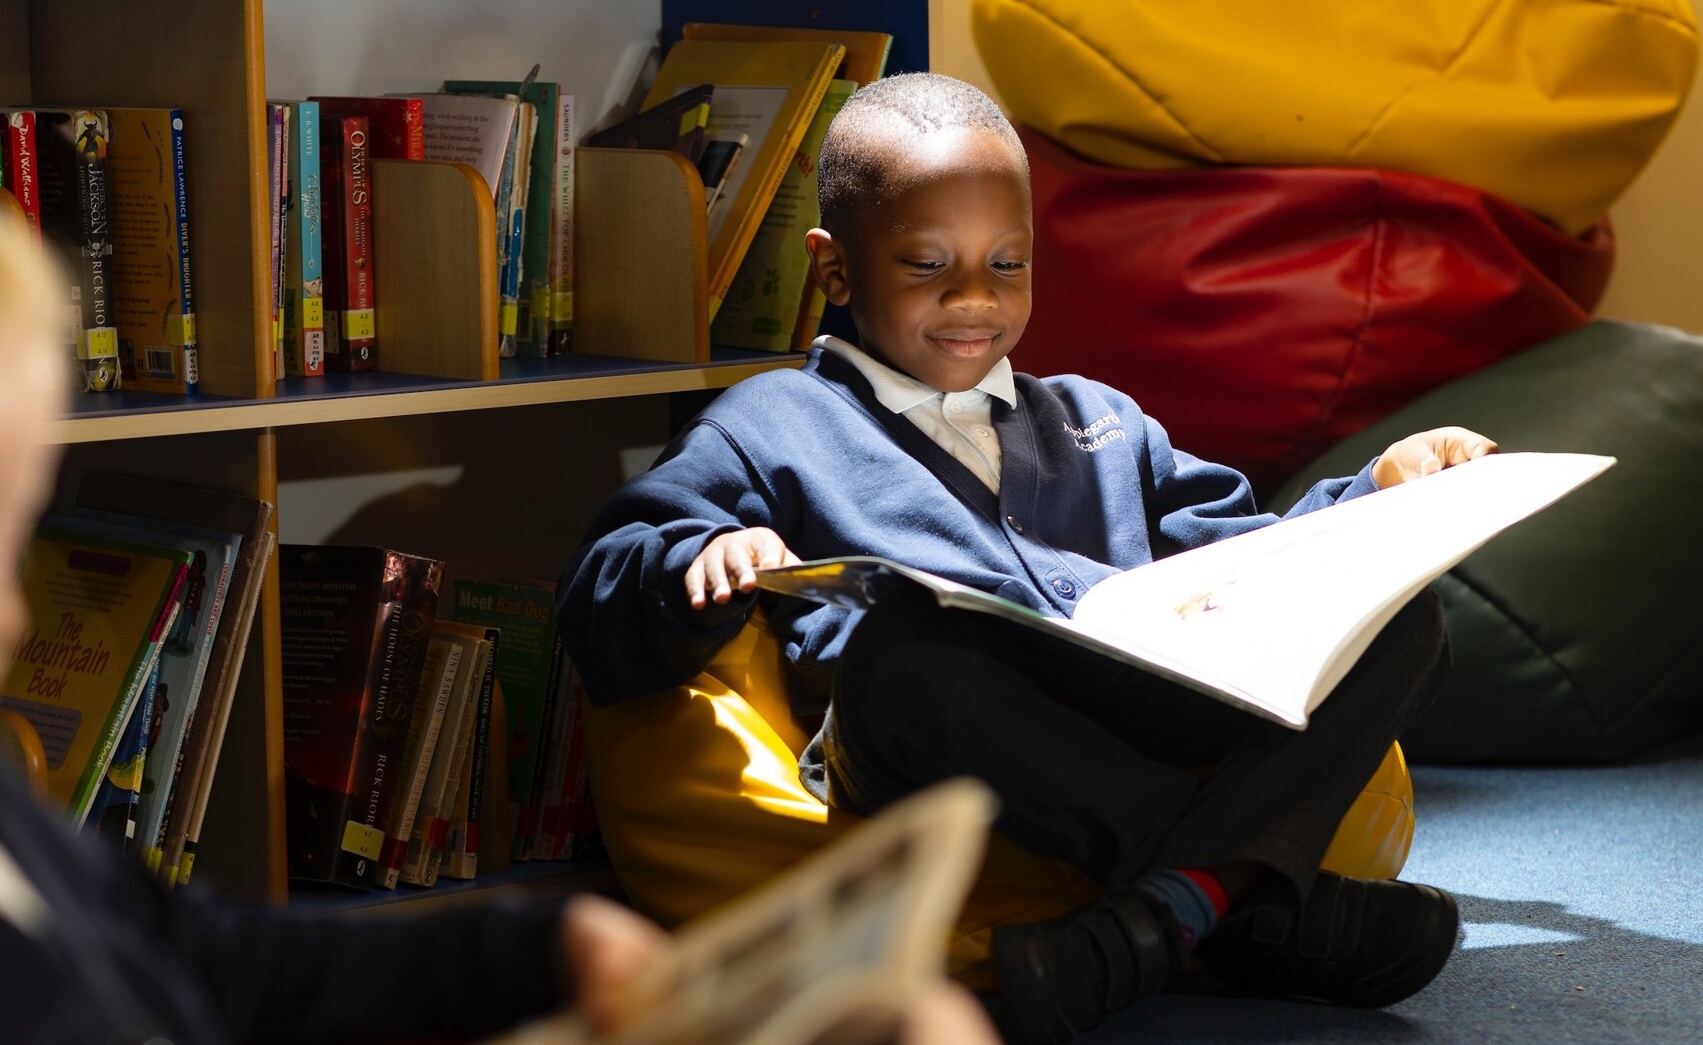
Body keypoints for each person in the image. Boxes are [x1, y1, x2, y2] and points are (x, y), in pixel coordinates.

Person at [558, 73, 1488, 1043]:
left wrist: (1378, 496)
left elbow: (1243, 549)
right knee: (908, 651)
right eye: (926, 266)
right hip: (936, 728)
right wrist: (699, 559)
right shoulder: (774, 422)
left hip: (1127, 705)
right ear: (834, 272)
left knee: (1406, 624)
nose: (974, 300)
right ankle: (1238, 898)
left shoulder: (1099, 418)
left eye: (1006, 264)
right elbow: (604, 582)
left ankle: (1159, 920)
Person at [0, 214, 996, 1045]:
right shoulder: (773, 424)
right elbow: (623, 571)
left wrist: (537, 950)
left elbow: (194, 956)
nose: (16, 620)